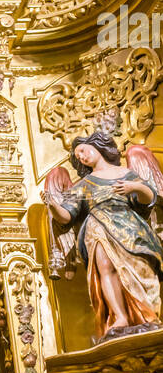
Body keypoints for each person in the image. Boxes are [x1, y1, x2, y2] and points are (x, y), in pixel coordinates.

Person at [42, 129, 163, 339]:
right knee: (105, 268)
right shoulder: (83, 186)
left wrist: (133, 187)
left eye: (82, 150)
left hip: (131, 229)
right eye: (78, 157)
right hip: (98, 229)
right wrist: (52, 204)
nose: (81, 156)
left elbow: (150, 198)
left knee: (140, 269)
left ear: (96, 144)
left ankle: (147, 315)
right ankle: (120, 317)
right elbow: (66, 217)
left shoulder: (127, 174)